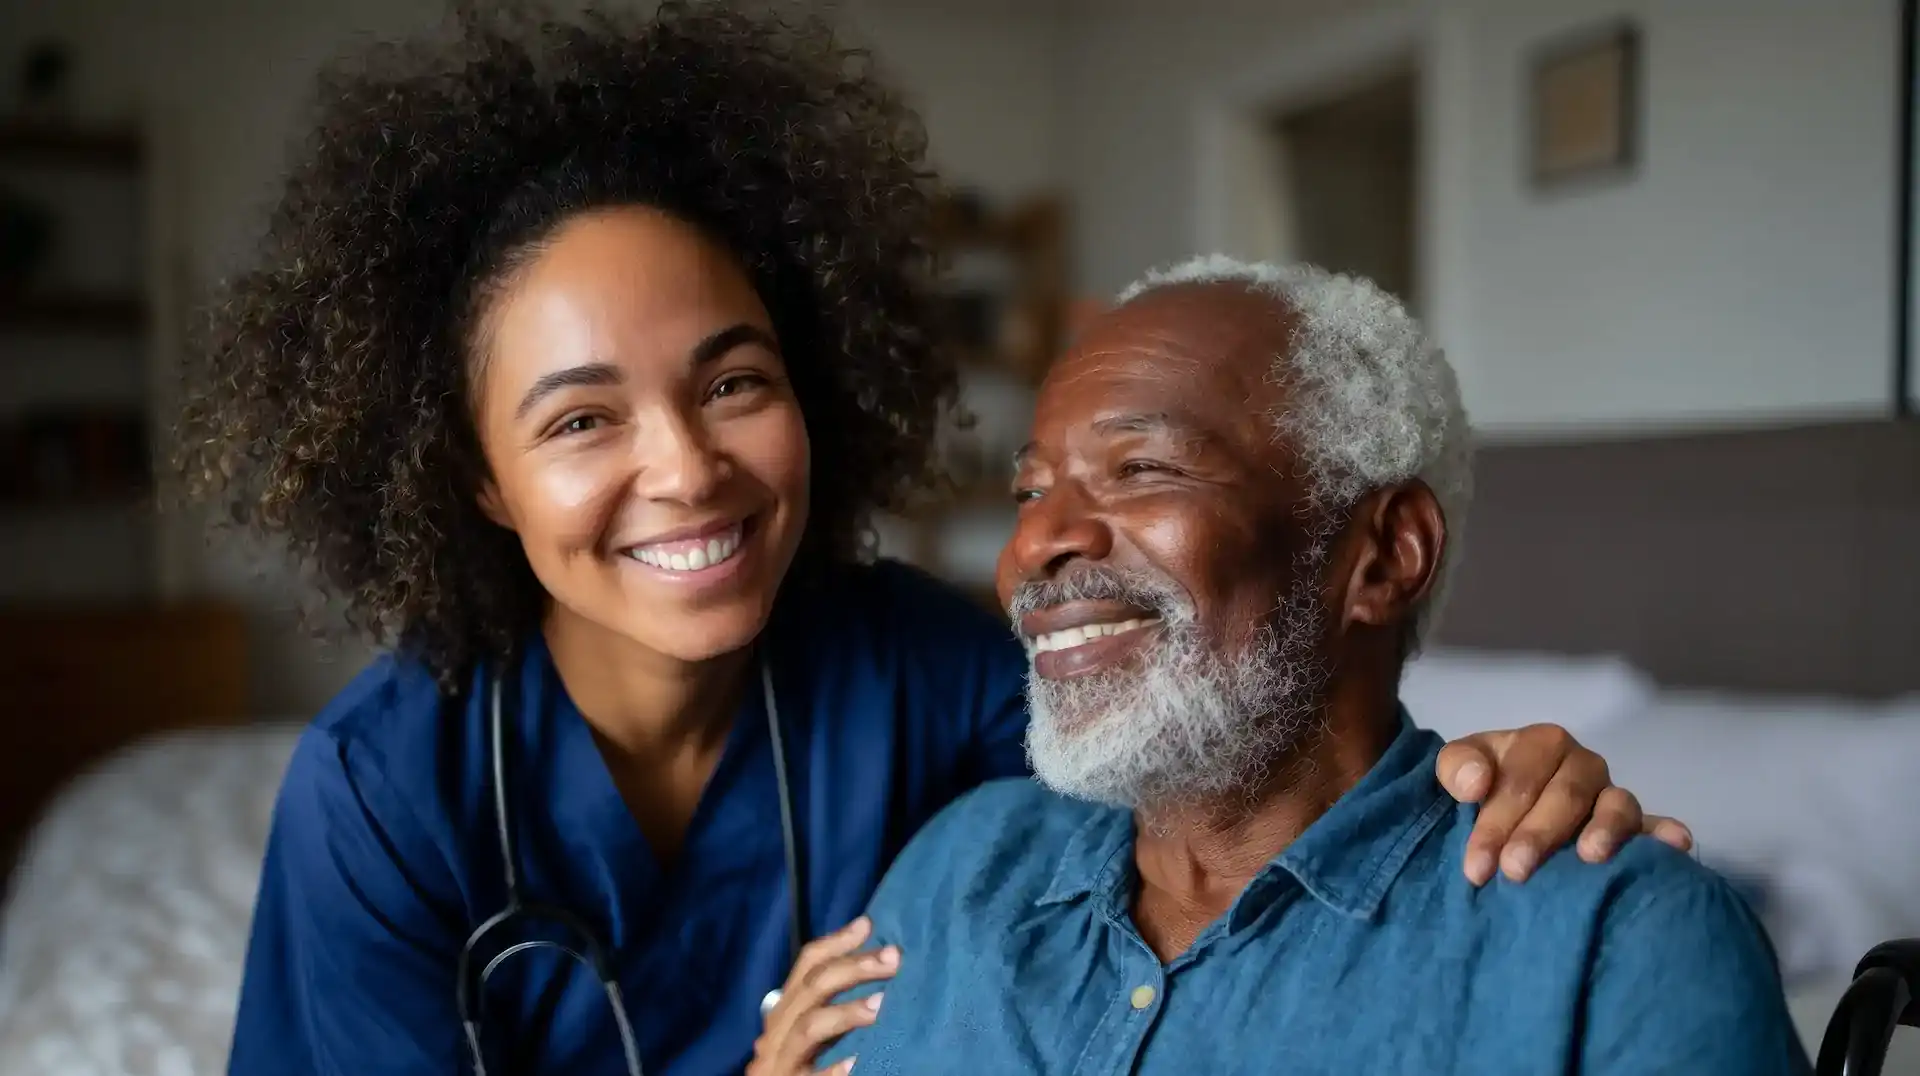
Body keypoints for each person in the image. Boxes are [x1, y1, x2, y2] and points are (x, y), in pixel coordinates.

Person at [177, 6, 1691, 1075]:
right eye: (581, 421)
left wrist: (1479, 786)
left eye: (735, 383)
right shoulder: (387, 795)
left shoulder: (933, 676)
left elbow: (1220, 777)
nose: (689, 469)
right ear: (482, 482)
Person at [806, 259, 1809, 1076]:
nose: (1038, 544)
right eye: (1032, 489)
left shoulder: (1617, 940)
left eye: (1142, 467)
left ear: (1382, 555)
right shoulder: (959, 866)